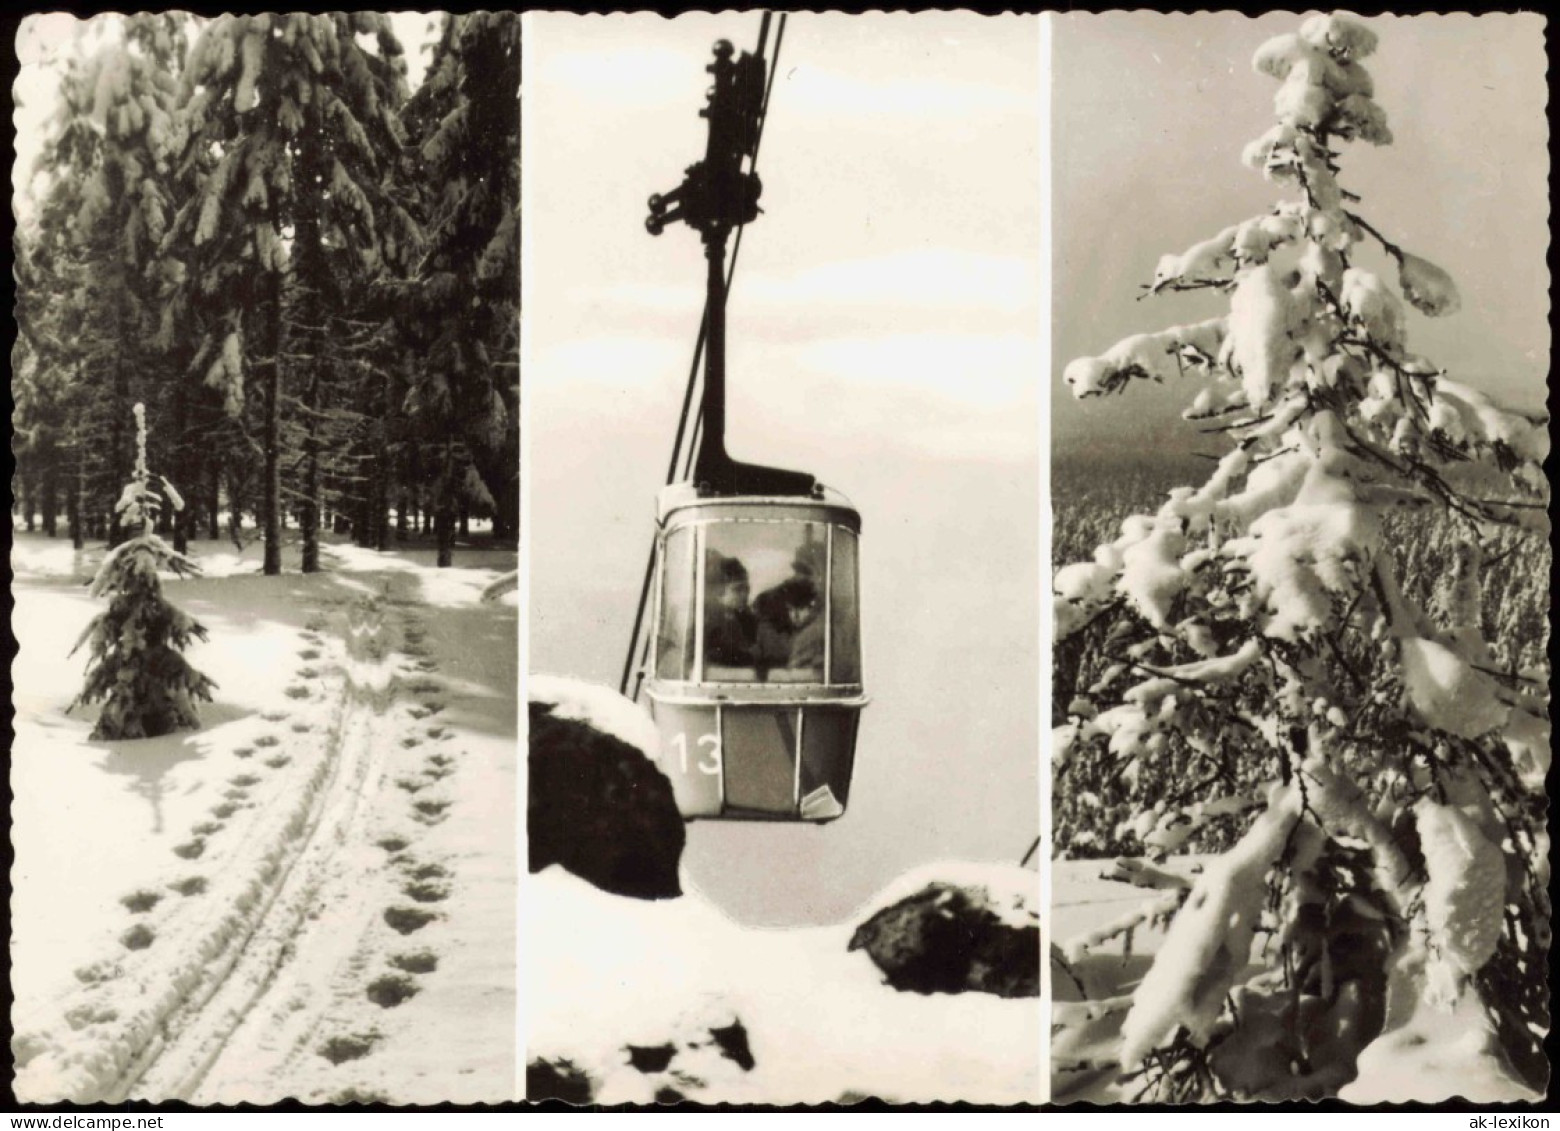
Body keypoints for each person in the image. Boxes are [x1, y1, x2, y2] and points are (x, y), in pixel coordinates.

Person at [753, 576, 818, 680]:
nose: (795, 615)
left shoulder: (815, 631)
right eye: (790, 609)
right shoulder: (777, 631)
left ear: (812, 606)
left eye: (801, 609)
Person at [703, 552, 757, 670]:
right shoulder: (708, 625)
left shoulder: (749, 620)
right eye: (738, 589)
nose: (745, 595)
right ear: (719, 592)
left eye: (746, 589)